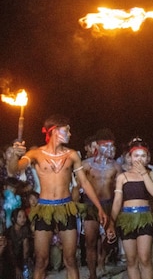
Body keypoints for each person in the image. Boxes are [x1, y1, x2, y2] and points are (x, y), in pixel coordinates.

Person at [8, 115, 107, 279]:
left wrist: (99, 208)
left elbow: (84, 182)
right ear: (54, 131)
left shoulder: (72, 155)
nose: (70, 133)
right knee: (41, 261)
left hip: (66, 207)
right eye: (66, 130)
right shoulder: (35, 154)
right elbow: (14, 170)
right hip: (44, 208)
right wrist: (15, 155)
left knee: (70, 260)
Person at [107, 138, 153, 279]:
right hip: (127, 218)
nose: (139, 159)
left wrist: (143, 173)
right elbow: (117, 201)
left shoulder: (150, 174)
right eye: (136, 155)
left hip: (145, 217)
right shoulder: (122, 177)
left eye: (143, 156)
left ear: (148, 158)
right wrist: (111, 222)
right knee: (131, 260)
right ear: (129, 157)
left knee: (145, 258)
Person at [81, 129, 123, 279]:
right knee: (90, 241)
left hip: (109, 204)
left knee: (110, 238)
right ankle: (92, 274)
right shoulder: (86, 165)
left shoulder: (117, 167)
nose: (111, 150)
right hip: (90, 205)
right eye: (108, 146)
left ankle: (102, 258)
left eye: (113, 146)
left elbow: (120, 191)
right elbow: (77, 186)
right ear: (98, 147)